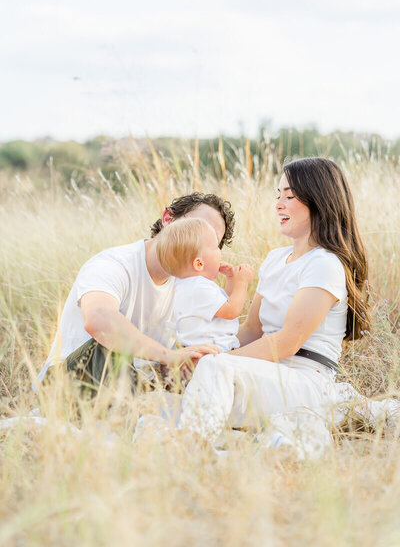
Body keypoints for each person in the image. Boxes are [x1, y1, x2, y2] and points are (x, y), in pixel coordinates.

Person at [177, 157, 372, 443]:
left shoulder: (325, 264)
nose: (279, 204)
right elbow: (251, 331)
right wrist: (202, 353)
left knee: (213, 370)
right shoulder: (275, 259)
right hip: (266, 374)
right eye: (278, 195)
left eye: (289, 196)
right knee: (171, 400)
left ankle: (191, 452)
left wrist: (218, 361)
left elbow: (288, 342)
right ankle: (224, 444)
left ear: (319, 200)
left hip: (306, 381)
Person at [35, 192, 235, 393]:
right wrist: (167, 355)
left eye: (212, 241)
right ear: (168, 219)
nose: (198, 237)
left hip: (135, 386)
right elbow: (99, 321)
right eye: (196, 226)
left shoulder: (190, 288)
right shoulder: (113, 263)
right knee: (111, 348)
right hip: (71, 379)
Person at [156, 217, 254, 353]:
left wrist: (230, 278)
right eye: (215, 247)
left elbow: (222, 307)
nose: (220, 251)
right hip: (215, 352)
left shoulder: (184, 285)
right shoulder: (198, 287)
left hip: (208, 350)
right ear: (199, 263)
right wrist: (242, 282)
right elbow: (231, 311)